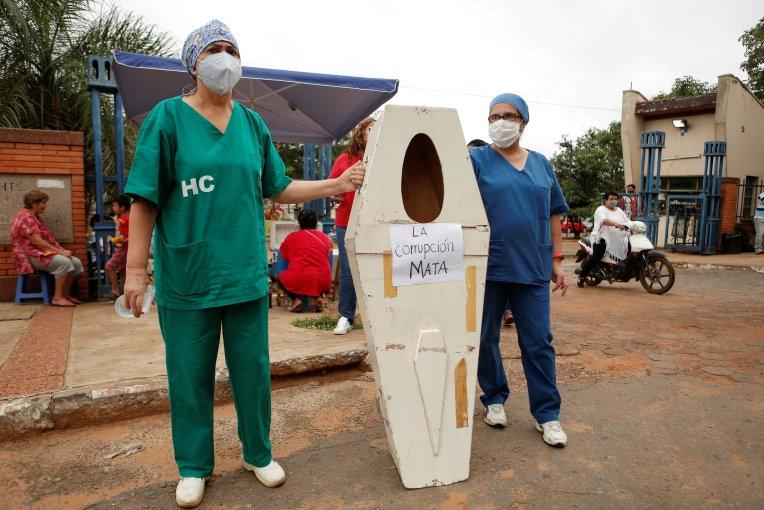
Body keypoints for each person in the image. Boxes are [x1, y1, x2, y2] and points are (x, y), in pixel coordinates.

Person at [122, 20, 365, 509]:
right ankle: (193, 466)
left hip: (244, 275)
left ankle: (258, 453)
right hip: (188, 276)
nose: (224, 57)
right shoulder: (167, 119)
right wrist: (134, 270)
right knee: (188, 375)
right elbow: (144, 199)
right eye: (214, 49)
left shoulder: (252, 124)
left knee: (251, 372)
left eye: (232, 49)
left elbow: (277, 186)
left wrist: (336, 186)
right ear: (193, 62)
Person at [469, 93, 570, 447]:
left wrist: (557, 259)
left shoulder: (542, 163)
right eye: (493, 116)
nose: (500, 122)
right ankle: (494, 398)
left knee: (539, 341)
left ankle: (548, 415)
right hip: (488, 265)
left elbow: (554, 212)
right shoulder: (476, 159)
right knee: (484, 337)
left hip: (532, 266)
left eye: (508, 115)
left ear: (523, 121)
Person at [328, 117, 375, 335]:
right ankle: (346, 316)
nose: (373, 131)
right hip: (346, 221)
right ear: (361, 133)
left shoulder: (384, 158)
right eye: (370, 128)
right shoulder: (345, 159)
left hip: (374, 223)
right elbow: (331, 187)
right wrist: (336, 195)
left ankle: (374, 317)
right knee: (348, 270)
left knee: (374, 269)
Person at [10, 190, 85, 307]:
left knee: (76, 263)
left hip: (41, 252)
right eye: (42, 203)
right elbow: (37, 241)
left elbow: (46, 240)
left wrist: (62, 250)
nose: (44, 206)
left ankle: (65, 295)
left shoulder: (34, 217)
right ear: (33, 203)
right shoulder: (26, 218)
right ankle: (57, 298)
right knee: (64, 262)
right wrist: (61, 252)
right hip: (30, 255)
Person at [468, 140, 514, 326]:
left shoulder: (494, 182)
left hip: (495, 242)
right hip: (470, 240)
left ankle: (506, 310)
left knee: (500, 278)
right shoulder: (460, 182)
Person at [278, 209, 333, 312]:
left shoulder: (291, 237)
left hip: (300, 279)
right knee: (313, 278)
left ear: (299, 223)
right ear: (316, 223)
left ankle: (297, 299)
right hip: (324, 281)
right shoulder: (325, 238)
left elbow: (284, 257)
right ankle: (318, 298)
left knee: (281, 277)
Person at [577, 191, 629, 288]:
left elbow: (627, 221)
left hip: (615, 238)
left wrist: (633, 225)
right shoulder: (600, 210)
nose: (614, 201)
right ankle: (582, 276)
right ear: (605, 200)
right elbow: (604, 220)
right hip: (601, 238)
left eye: (615, 199)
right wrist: (617, 224)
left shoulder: (619, 211)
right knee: (597, 256)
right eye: (611, 199)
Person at [105, 194, 131, 299]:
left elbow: (133, 235)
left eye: (115, 206)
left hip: (125, 248)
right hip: (121, 247)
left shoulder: (129, 218)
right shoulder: (121, 218)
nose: (113, 208)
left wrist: (123, 241)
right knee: (123, 270)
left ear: (123, 207)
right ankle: (127, 294)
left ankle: (115, 290)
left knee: (109, 266)